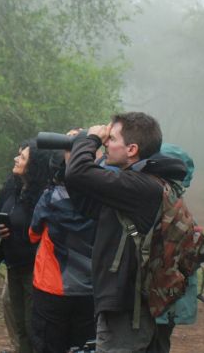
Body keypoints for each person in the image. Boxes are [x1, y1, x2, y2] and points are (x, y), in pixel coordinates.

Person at [64, 112, 187, 353]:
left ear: (131, 149)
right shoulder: (140, 185)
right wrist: (74, 157)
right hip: (130, 304)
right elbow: (87, 205)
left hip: (127, 309)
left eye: (111, 139)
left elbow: (79, 174)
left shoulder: (139, 186)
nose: (106, 143)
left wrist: (89, 140)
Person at [28, 148, 96, 353]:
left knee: (48, 344)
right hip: (91, 288)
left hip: (52, 286)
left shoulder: (50, 198)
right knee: (83, 346)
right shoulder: (103, 199)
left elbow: (33, 235)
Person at [0, 139, 53, 353]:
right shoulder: (11, 188)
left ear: (34, 165)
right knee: (19, 325)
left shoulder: (43, 196)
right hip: (13, 265)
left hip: (34, 269)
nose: (16, 159)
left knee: (33, 326)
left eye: (22, 157)